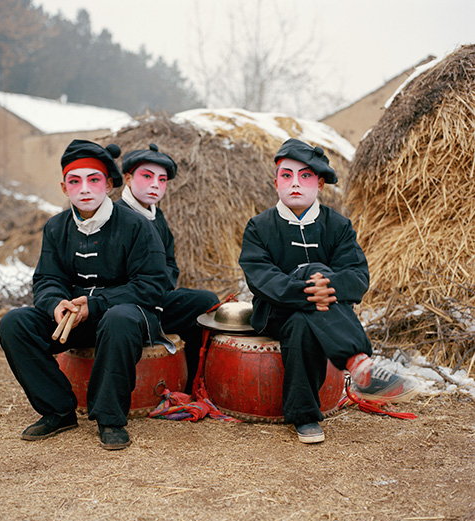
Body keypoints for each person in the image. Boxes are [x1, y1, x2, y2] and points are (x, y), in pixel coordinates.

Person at [238, 138, 418, 444]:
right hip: (273, 313)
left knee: (301, 323)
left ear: (320, 183)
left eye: (305, 175)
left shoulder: (338, 226)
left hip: (313, 316)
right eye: (286, 175)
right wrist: (311, 288)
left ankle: (304, 416)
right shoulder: (259, 226)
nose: (295, 183)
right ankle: (358, 364)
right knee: (311, 274)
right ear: (276, 183)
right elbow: (261, 278)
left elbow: (357, 277)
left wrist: (328, 287)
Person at [0, 139, 167, 450]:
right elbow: (48, 278)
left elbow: (153, 284)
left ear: (109, 184)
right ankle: (58, 410)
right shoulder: (56, 227)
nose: (85, 189)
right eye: (75, 181)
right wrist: (55, 304)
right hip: (77, 318)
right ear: (64, 188)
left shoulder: (136, 225)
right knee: (15, 323)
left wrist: (97, 304)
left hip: (128, 317)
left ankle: (110, 418)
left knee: (118, 319)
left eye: (94, 180)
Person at [117, 143, 219, 392]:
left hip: (157, 299)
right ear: (128, 178)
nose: (155, 185)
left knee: (205, 303)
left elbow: (170, 264)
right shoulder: (115, 217)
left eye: (162, 180)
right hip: (127, 305)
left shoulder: (157, 217)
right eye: (147, 176)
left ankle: (193, 384)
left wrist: (162, 290)